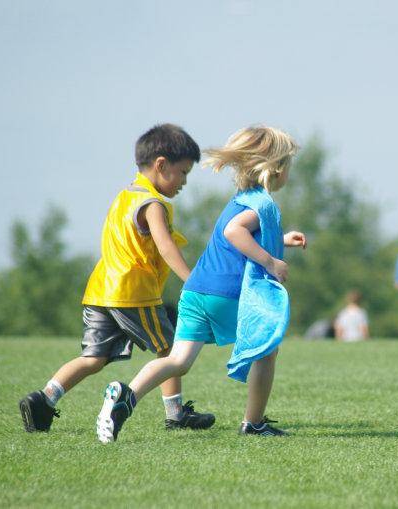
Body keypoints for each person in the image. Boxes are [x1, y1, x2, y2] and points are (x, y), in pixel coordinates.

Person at [96, 125, 306, 443]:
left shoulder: (241, 199)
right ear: (275, 168)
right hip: (227, 292)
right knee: (267, 348)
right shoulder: (263, 203)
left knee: (178, 361)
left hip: (195, 292)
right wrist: (270, 261)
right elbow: (234, 233)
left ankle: (126, 396)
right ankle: (254, 423)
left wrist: (281, 239)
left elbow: (245, 230)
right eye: (288, 164)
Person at [19, 124, 214, 433]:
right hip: (133, 293)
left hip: (100, 291)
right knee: (171, 349)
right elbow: (165, 246)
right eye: (183, 172)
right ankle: (176, 414)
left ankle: (44, 398)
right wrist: (194, 280)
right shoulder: (153, 204)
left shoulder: (124, 197)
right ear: (161, 165)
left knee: (93, 358)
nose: (185, 182)